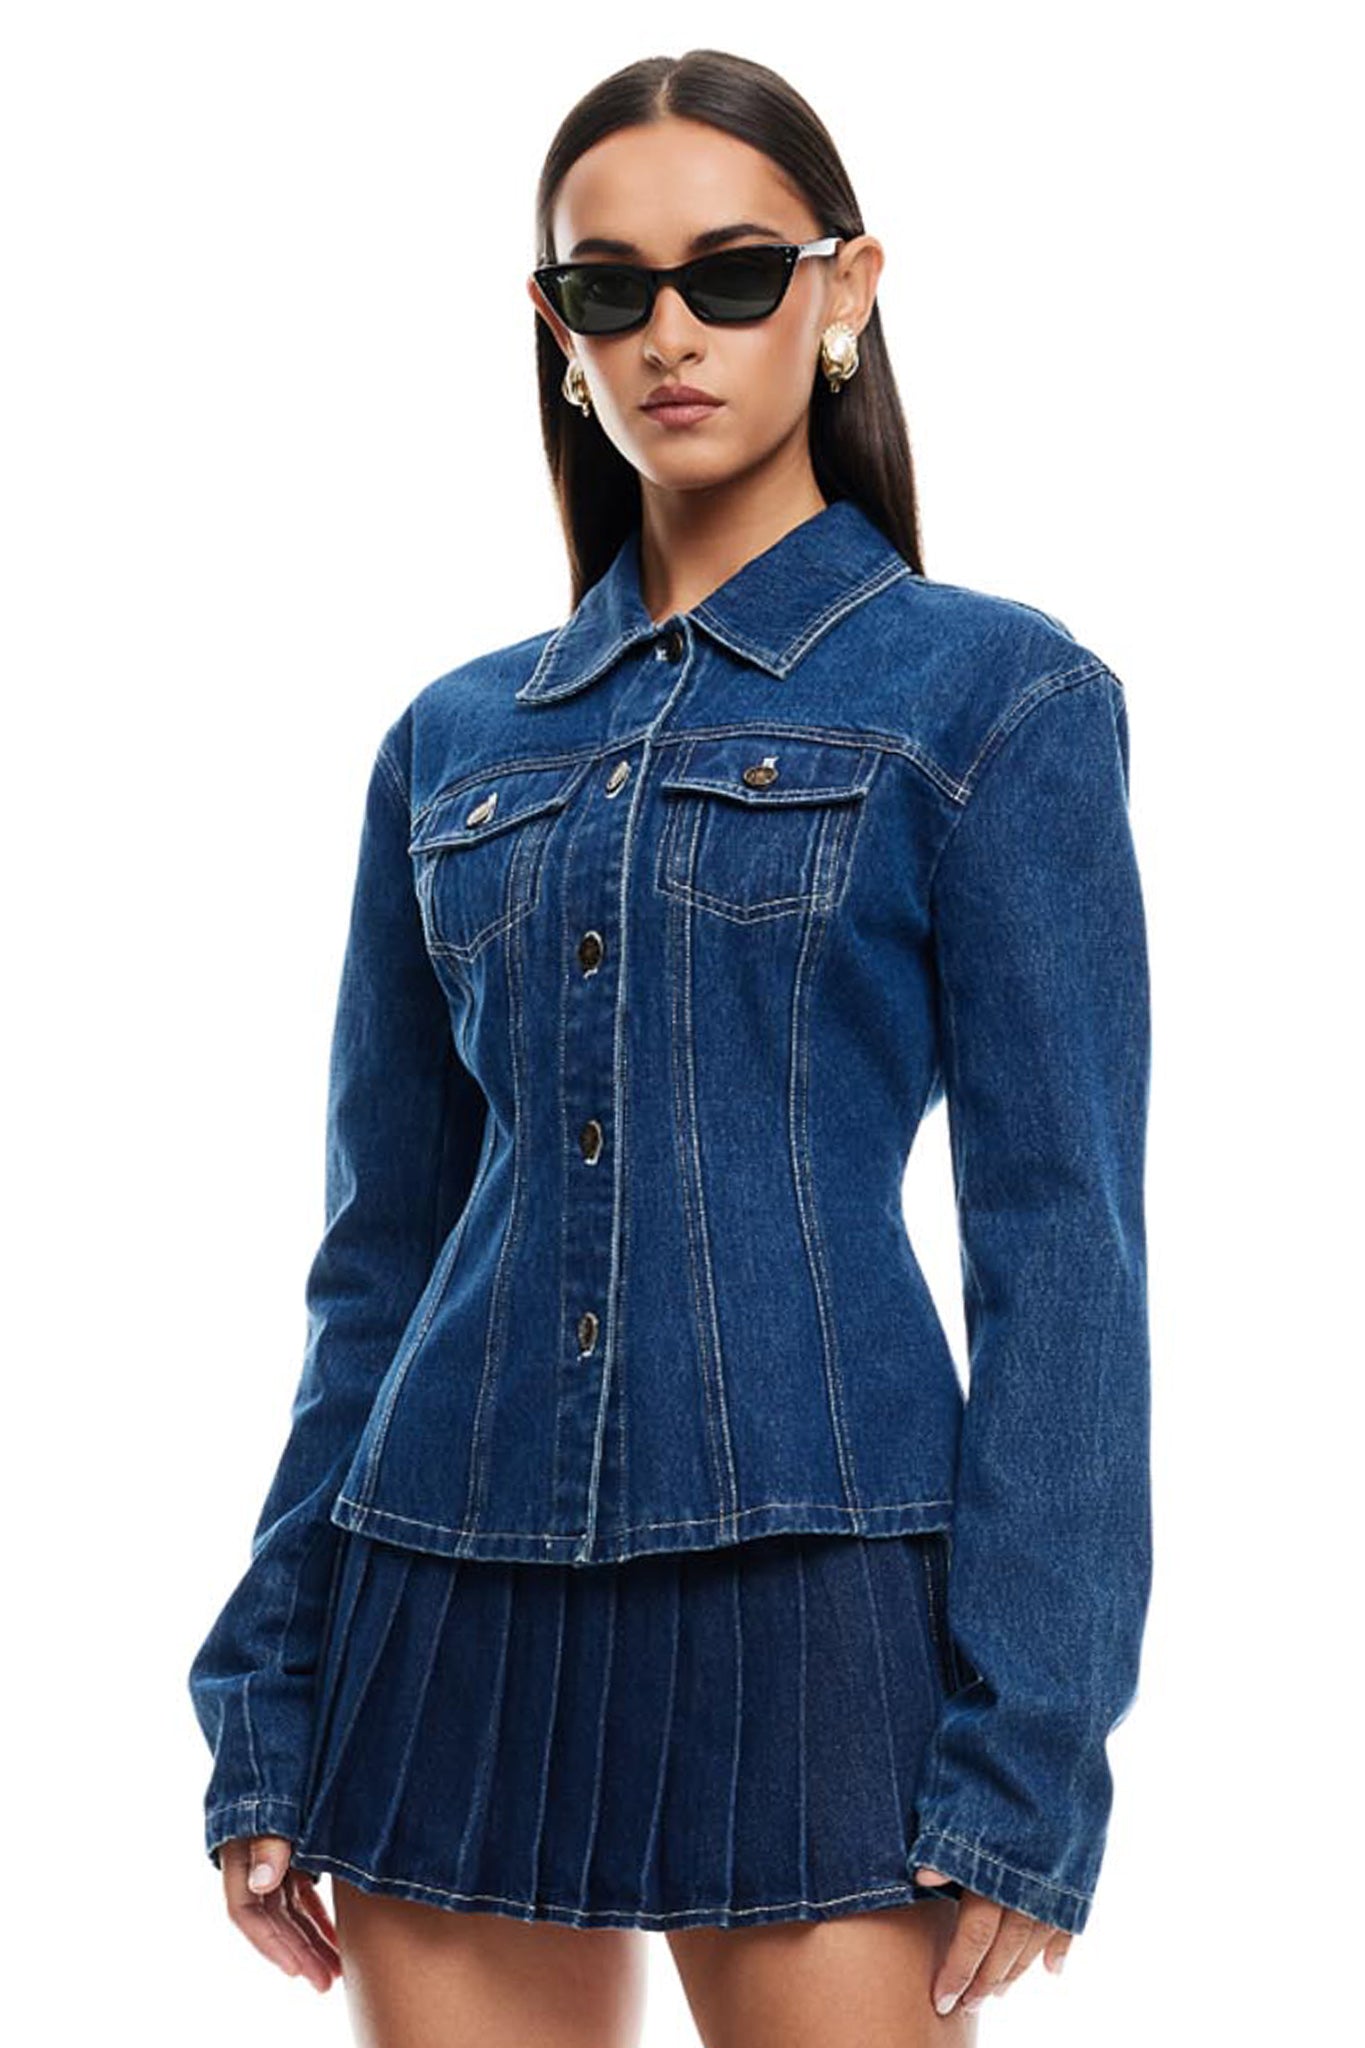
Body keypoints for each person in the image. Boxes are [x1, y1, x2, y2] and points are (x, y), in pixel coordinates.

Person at [187, 46, 1152, 2048]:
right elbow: (379, 1260)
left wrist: (1033, 1743)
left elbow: (1061, 1248)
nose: (669, 333)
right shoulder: (452, 742)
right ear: (556, 329)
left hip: (818, 1591)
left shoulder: (992, 695)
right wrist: (268, 1688)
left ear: (842, 288)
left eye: (729, 273)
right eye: (607, 287)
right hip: (441, 1587)